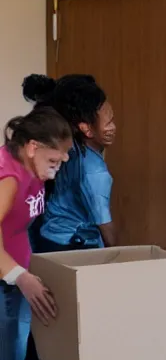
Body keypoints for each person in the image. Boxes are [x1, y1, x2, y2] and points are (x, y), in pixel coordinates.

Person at [0, 107, 73, 360]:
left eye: (62, 162)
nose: (57, 168)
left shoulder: (32, 173)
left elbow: (16, 229)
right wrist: (20, 276)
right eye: (52, 160)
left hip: (11, 281)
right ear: (31, 147)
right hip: (7, 277)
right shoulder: (8, 177)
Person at [22, 74, 117, 252]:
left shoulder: (68, 147)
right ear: (85, 128)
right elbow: (105, 224)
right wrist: (123, 256)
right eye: (109, 122)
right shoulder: (95, 172)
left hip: (46, 234)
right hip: (71, 244)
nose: (113, 127)